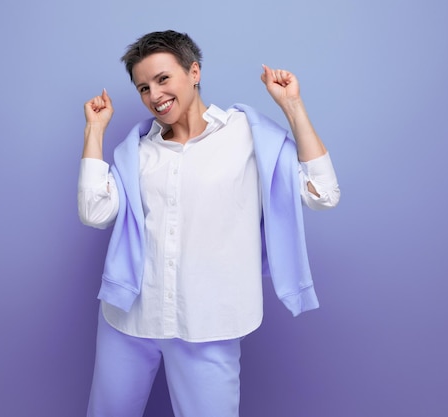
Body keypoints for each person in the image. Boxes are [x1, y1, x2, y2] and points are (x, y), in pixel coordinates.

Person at [78, 30, 340, 417]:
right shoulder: (137, 151)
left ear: (194, 71)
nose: (154, 95)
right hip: (129, 318)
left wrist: (293, 106)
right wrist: (94, 131)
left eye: (163, 79)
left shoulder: (246, 134)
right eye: (143, 87)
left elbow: (323, 195)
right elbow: (94, 212)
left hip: (209, 323)